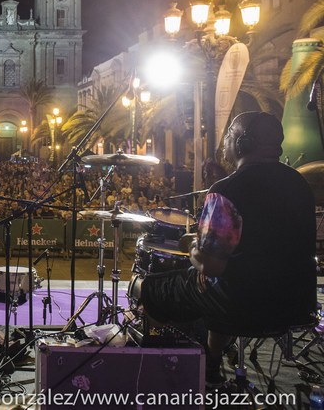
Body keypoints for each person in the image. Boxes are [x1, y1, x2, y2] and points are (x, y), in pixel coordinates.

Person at [134, 111, 317, 386]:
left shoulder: (227, 189)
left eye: (229, 134)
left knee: (149, 287)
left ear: (242, 143)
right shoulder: (299, 184)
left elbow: (212, 265)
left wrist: (195, 248)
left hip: (244, 305)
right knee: (218, 283)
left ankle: (163, 375)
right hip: (296, 305)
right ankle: (211, 363)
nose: (225, 141)